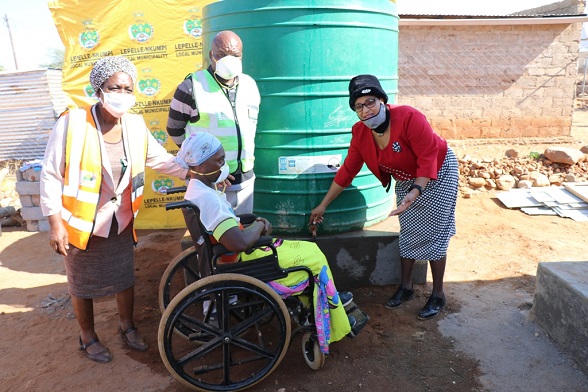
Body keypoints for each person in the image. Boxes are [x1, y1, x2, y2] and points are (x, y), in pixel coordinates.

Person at [40, 56, 188, 363]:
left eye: (127, 88)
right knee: (82, 283)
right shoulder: (72, 123)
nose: (121, 94)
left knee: (123, 277)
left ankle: (127, 326)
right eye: (114, 87)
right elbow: (51, 173)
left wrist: (194, 173)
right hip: (81, 223)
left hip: (120, 218)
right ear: (98, 89)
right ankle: (87, 336)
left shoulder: (134, 124)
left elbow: (159, 159)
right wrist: (55, 223)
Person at [176, 132, 369, 354]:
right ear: (199, 165)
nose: (224, 164)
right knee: (314, 259)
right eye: (219, 160)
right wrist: (258, 225)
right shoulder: (209, 200)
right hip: (242, 261)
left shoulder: (197, 189)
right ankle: (333, 319)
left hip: (223, 259)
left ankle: (323, 298)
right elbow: (238, 243)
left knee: (309, 249)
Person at [309, 74, 458, 321]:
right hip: (406, 178)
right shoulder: (360, 133)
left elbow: (429, 154)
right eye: (358, 106)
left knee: (435, 231)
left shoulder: (409, 117)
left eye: (369, 102)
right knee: (409, 230)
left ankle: (438, 293)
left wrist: (416, 190)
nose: (365, 110)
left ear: (381, 100)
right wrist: (323, 205)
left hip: (437, 172)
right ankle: (406, 287)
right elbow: (347, 171)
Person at [167, 30, 260, 215]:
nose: (229, 59)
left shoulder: (250, 85)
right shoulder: (191, 87)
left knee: (243, 236)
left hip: (245, 180)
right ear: (211, 55)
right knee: (216, 239)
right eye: (221, 55)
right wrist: (205, 167)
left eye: (235, 55)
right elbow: (174, 129)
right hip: (210, 184)